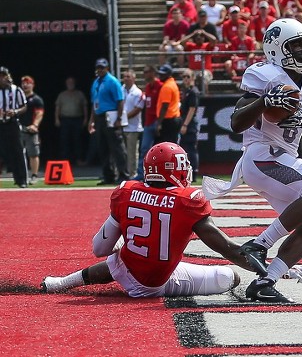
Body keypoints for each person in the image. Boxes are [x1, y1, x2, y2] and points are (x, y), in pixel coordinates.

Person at [202, 18, 302, 303]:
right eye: (296, 45)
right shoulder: (264, 75)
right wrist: (263, 102)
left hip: (282, 159)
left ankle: (265, 282)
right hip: (261, 155)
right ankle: (259, 245)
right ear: (276, 50)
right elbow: (236, 123)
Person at [41, 142, 253, 297]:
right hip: (153, 285)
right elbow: (226, 247)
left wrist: (126, 240)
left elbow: (99, 249)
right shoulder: (189, 200)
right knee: (230, 277)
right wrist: (269, 269)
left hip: (126, 266)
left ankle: (60, 283)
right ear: (174, 170)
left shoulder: (126, 191)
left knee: (121, 258)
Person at [88, 58, 130, 185]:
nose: (100, 70)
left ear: (107, 68)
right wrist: (91, 120)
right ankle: (108, 175)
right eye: (98, 68)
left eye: (102, 67)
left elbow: (120, 100)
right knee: (103, 147)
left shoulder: (112, 82)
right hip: (100, 117)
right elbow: (94, 103)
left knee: (117, 147)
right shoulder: (96, 82)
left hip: (111, 116)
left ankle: (123, 174)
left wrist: (119, 118)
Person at [132, 65, 163, 181]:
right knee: (144, 148)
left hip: (157, 121)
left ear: (153, 73)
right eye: (144, 72)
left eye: (147, 72)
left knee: (159, 150)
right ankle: (141, 173)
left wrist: (159, 122)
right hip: (148, 122)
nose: (144, 74)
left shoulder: (160, 86)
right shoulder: (148, 87)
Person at [0, 66, 28, 188]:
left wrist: (15, 111)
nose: (5, 78)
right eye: (2, 76)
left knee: (17, 151)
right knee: (4, 151)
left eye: (6, 75)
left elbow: (24, 106)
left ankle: (21, 179)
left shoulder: (16, 90)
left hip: (12, 123)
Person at [54, 76, 88, 165]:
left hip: (77, 119)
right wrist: (57, 119)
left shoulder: (80, 94)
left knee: (78, 140)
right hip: (65, 119)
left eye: (72, 83)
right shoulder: (62, 95)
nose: (70, 84)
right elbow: (58, 107)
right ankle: (65, 160)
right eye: (69, 83)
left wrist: (85, 119)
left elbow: (85, 107)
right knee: (64, 140)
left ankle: (79, 159)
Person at [19, 75, 44, 185]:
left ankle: (34, 175)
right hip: (18, 129)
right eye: (23, 83)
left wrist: (35, 125)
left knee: (33, 153)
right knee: (18, 153)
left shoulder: (36, 99)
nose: (25, 85)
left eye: (27, 83)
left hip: (31, 130)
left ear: (32, 85)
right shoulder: (18, 99)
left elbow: (40, 113)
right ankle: (20, 176)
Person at [122, 70, 144, 178]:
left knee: (132, 152)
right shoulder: (121, 90)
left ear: (133, 78)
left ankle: (132, 173)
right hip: (122, 126)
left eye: (128, 77)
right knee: (123, 152)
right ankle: (123, 172)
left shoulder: (137, 92)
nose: (126, 78)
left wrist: (123, 118)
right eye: (124, 76)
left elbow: (138, 109)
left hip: (133, 127)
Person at [179, 69, 200, 182]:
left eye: (188, 77)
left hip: (190, 125)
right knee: (185, 148)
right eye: (184, 77)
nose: (185, 79)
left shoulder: (193, 92)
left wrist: (185, 124)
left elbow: (192, 109)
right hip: (186, 123)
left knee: (191, 148)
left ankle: (195, 172)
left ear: (193, 78)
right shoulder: (186, 91)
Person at [181, 29, 217, 94]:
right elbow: (182, 42)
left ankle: (205, 96)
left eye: (201, 36)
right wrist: (193, 34)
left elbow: (214, 40)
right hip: (193, 71)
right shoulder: (191, 46)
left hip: (205, 71)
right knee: (186, 74)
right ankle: (186, 96)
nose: (199, 37)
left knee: (202, 76)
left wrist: (204, 33)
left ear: (204, 38)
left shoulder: (207, 46)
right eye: (197, 36)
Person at [155, 64, 182, 143]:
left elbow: (165, 106)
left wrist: (159, 123)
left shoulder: (167, 87)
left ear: (168, 74)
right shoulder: (173, 84)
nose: (160, 76)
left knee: (166, 145)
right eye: (160, 74)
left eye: (163, 74)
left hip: (168, 120)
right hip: (174, 118)